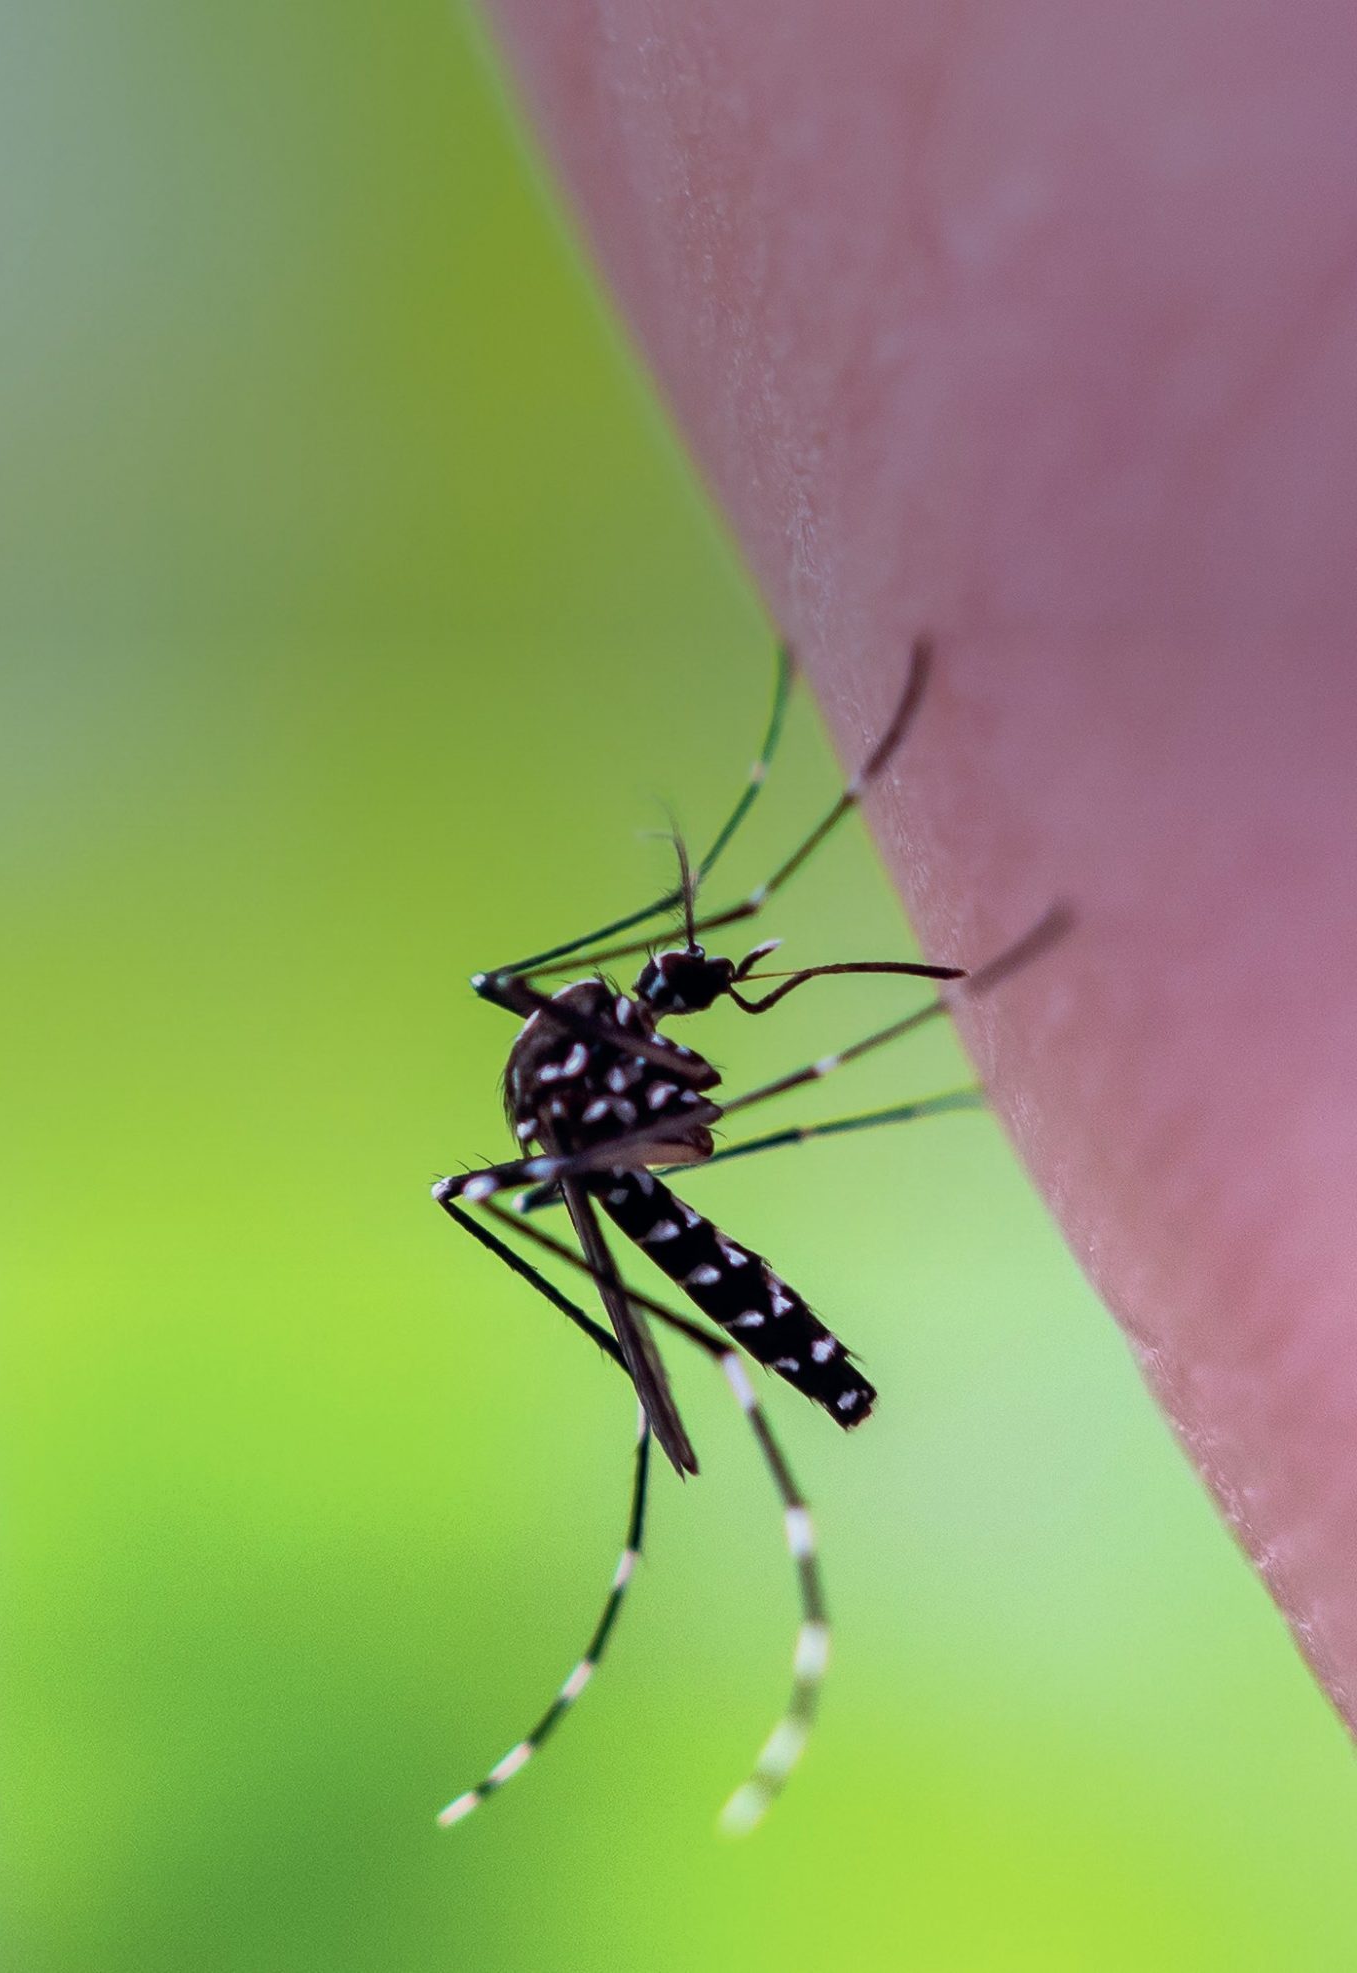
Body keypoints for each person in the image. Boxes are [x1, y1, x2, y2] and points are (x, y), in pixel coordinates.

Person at [484, 0, 1357, 1725]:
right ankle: (717, 1507)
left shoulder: (596, 1027)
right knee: (765, 1141)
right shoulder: (603, 1085)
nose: (677, 983)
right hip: (604, 1176)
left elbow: (658, 998)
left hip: (594, 1134)